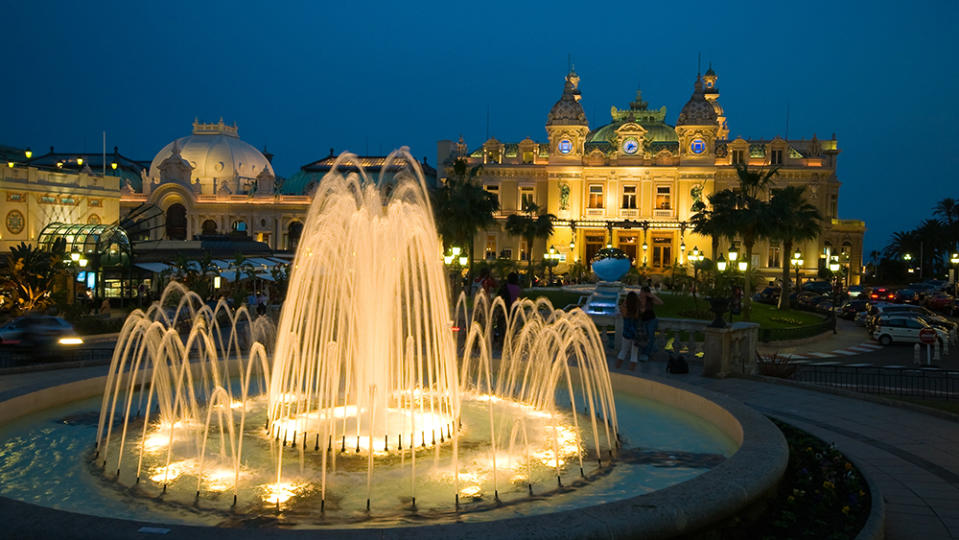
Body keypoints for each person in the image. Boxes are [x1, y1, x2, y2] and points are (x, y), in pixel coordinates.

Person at [617, 291, 641, 369]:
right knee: (634, 354)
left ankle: (617, 367)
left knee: (623, 351)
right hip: (635, 333)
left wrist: (625, 302)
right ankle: (631, 370)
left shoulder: (624, 309)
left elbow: (620, 309)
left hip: (626, 332)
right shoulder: (637, 309)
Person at [639, 286, 663, 361]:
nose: (641, 293)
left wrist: (653, 296)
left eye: (642, 292)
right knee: (643, 337)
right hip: (642, 320)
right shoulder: (638, 300)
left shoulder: (650, 300)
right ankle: (644, 353)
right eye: (641, 291)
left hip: (651, 320)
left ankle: (647, 353)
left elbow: (661, 302)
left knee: (650, 336)